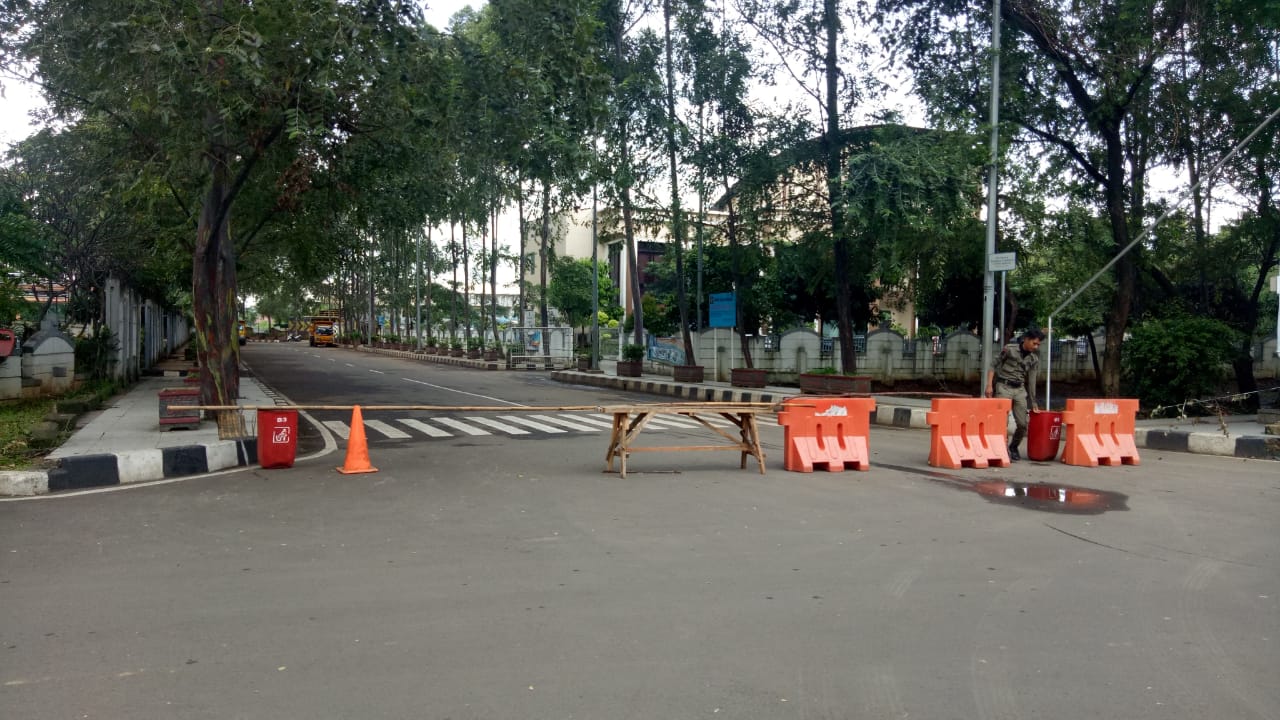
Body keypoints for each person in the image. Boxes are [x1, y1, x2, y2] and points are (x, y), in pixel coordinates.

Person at [985, 329, 1045, 461]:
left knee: (1023, 424)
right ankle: (1002, 449)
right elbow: (993, 365)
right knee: (1002, 421)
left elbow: (1032, 381)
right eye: (1034, 343)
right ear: (1026, 339)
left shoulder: (1034, 358)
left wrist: (1033, 402)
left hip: (1019, 390)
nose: (1036, 347)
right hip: (1004, 387)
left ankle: (1013, 446)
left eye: (1038, 345)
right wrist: (989, 385)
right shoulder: (1009, 349)